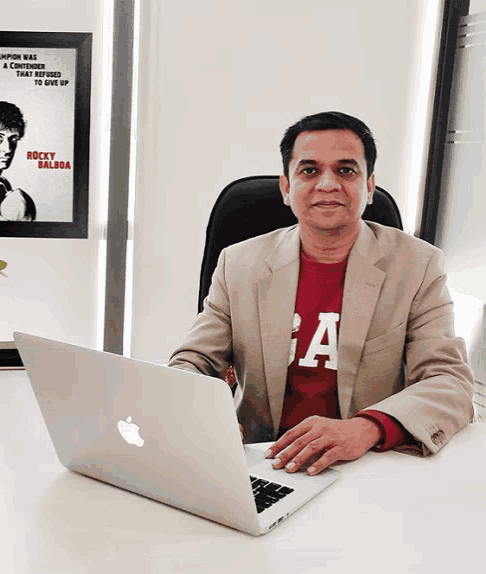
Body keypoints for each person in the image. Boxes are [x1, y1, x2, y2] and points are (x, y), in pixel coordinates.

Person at [169, 111, 474, 476]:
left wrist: (367, 427)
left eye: (346, 170)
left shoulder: (418, 266)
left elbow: (449, 382)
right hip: (260, 460)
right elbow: (192, 361)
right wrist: (202, 414)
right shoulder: (239, 264)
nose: (327, 184)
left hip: (365, 463)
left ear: (369, 186)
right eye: (309, 170)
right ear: (286, 187)